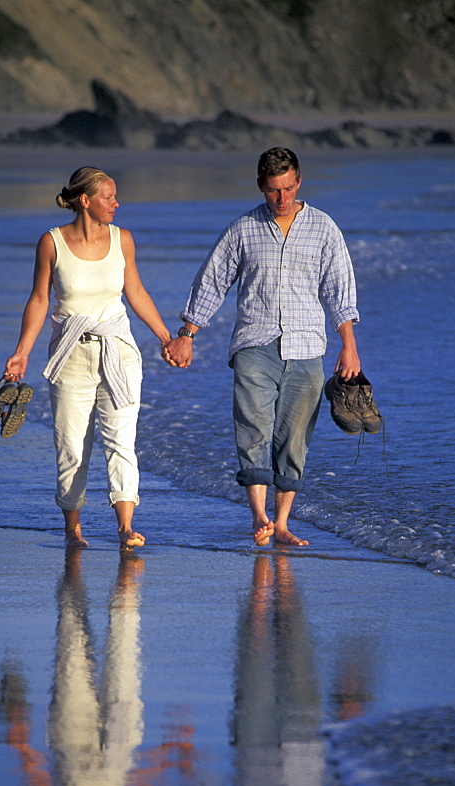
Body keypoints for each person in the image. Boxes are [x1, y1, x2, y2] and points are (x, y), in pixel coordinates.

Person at [163, 147, 361, 547]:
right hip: (255, 344)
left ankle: (283, 523)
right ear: (261, 187)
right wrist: (187, 334)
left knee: (295, 438)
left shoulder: (324, 228)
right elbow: (212, 280)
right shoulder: (242, 229)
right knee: (253, 430)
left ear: (299, 182)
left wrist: (349, 347)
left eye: (288, 188)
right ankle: (259, 516)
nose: (282, 198)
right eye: (273, 191)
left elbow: (339, 291)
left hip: (307, 348)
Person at [4, 166, 173, 550]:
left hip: (119, 351)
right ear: (85, 201)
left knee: (121, 443)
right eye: (108, 197)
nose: (117, 203)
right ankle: (73, 529)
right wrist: (22, 353)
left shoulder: (122, 240)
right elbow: (39, 300)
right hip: (70, 355)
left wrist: (166, 337)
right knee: (72, 447)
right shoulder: (51, 243)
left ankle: (125, 527)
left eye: (115, 197)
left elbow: (136, 293)